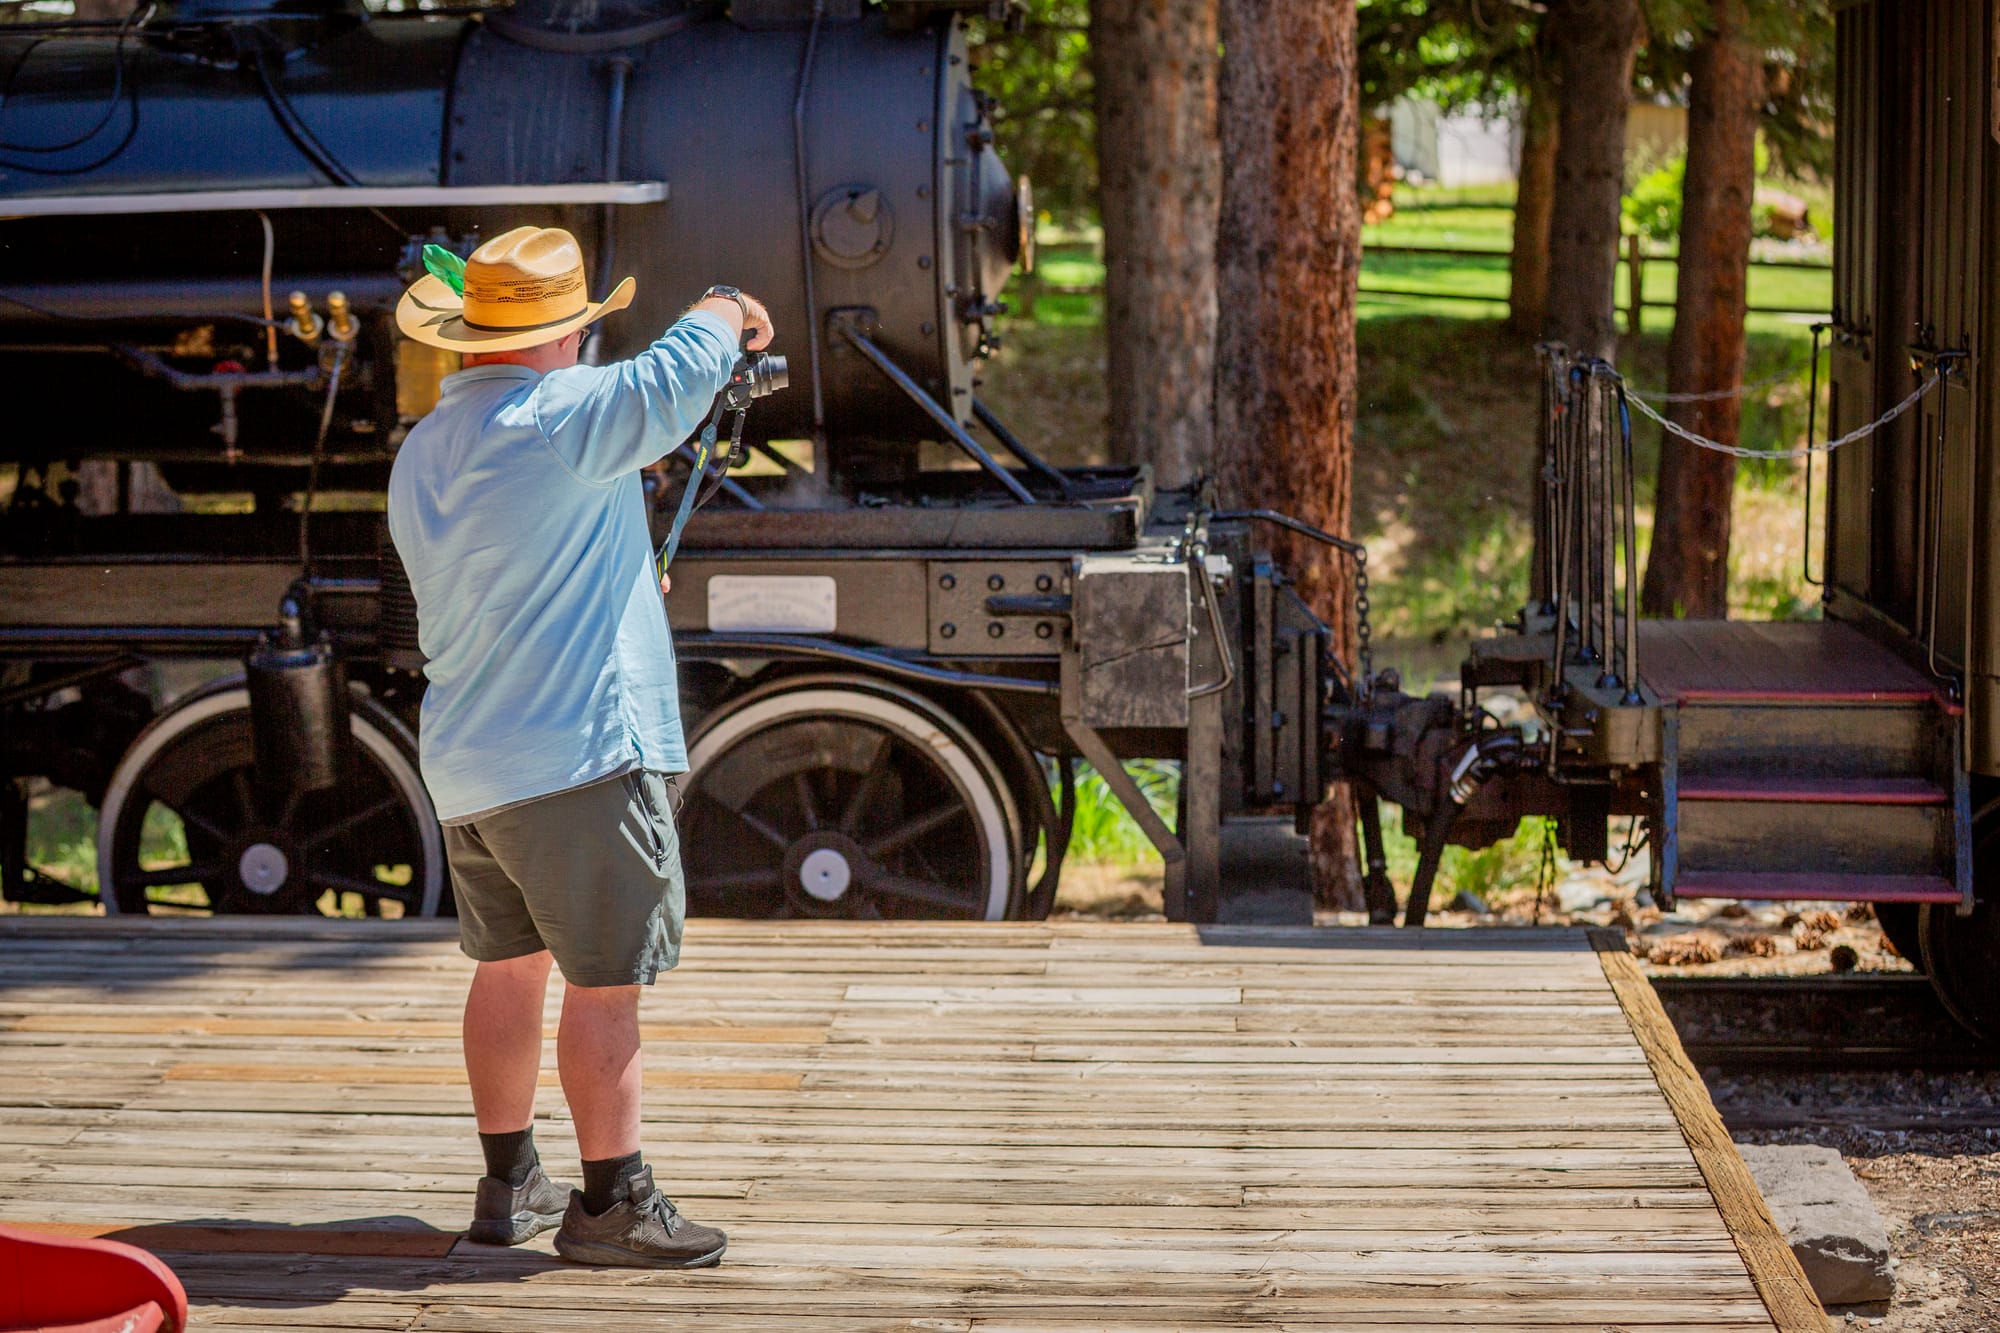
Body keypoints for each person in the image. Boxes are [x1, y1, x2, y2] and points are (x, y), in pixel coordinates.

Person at [387, 225, 772, 1269]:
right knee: (607, 982)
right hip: (575, 761)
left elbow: (517, 566)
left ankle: (507, 1182)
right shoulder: (563, 414)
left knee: (505, 969)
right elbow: (674, 375)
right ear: (561, 334)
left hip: (473, 766)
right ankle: (613, 1205)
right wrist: (728, 303)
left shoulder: (426, 444)